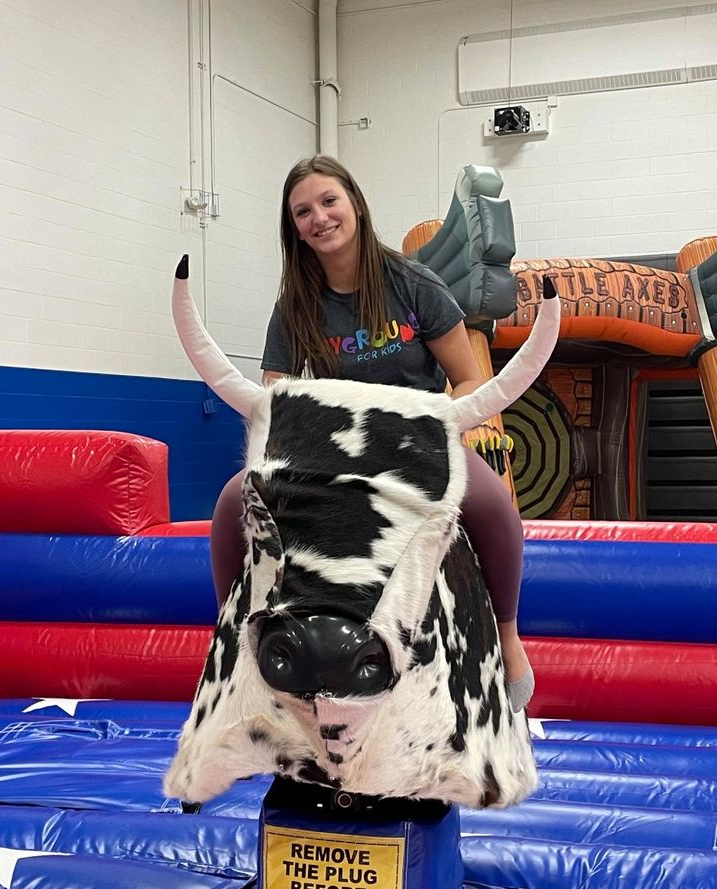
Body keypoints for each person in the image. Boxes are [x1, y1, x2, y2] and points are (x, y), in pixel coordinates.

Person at [211, 155, 534, 712]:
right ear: (294, 228)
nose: (319, 218)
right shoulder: (294, 305)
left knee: (493, 506)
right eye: (303, 212)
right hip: (334, 448)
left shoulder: (413, 284)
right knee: (228, 505)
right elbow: (274, 396)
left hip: (415, 444)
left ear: (354, 204)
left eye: (328, 201)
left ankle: (508, 634)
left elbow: (468, 379)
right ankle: (238, 636)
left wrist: (431, 427)